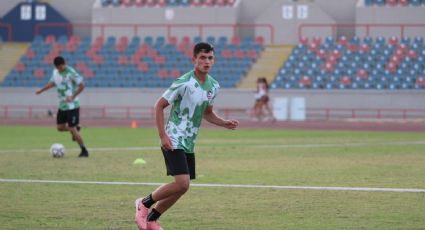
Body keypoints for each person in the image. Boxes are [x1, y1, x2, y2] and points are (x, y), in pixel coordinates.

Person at [134, 42, 239, 230]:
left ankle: (151, 220)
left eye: (210, 58)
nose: (207, 62)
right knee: (182, 183)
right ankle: (144, 203)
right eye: (203, 58)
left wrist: (224, 123)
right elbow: (159, 105)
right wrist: (163, 135)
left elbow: (207, 113)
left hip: (189, 142)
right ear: (194, 60)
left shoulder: (213, 86)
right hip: (174, 137)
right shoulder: (184, 82)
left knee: (183, 187)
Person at [36, 56, 89, 157]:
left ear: (64, 63)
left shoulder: (71, 72)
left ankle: (84, 150)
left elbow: (82, 85)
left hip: (72, 105)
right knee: (60, 128)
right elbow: (52, 83)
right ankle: (77, 127)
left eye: (61, 67)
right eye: (58, 68)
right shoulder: (55, 72)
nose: (59, 69)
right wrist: (41, 90)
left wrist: (73, 97)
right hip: (62, 105)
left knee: (72, 128)